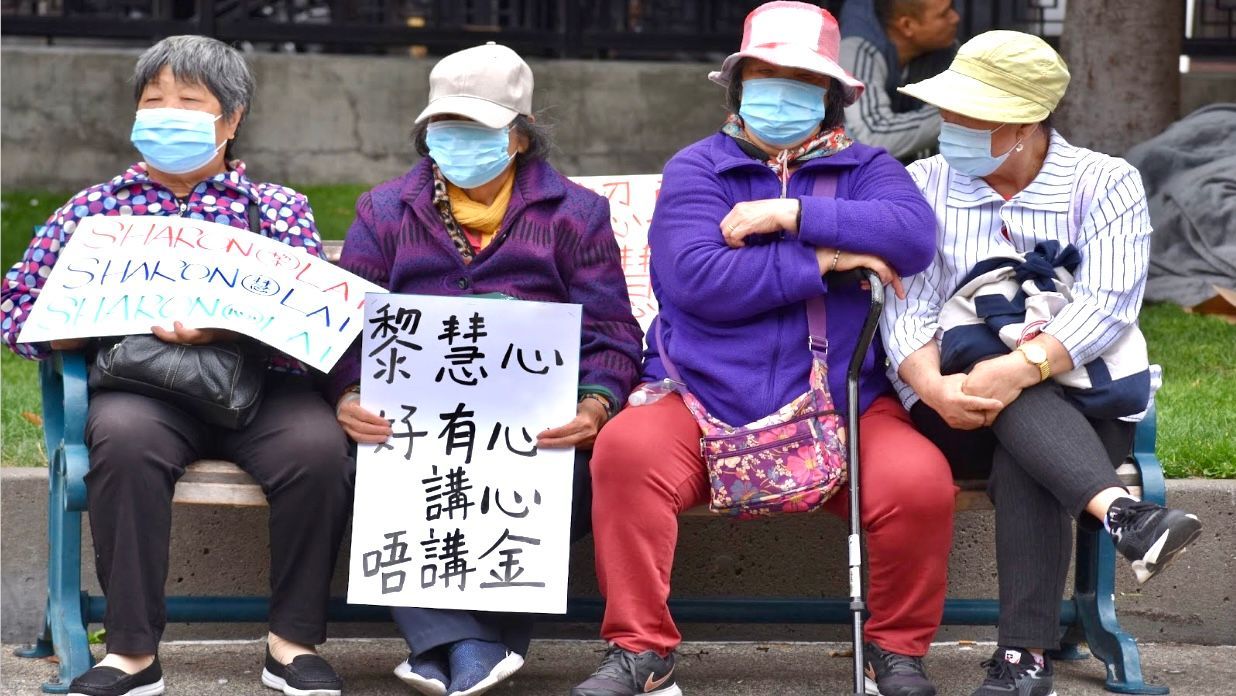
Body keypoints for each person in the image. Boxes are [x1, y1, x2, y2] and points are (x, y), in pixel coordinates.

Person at [572, 3, 954, 696]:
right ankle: (640, 649)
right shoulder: (697, 169)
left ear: (831, 96)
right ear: (738, 86)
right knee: (626, 453)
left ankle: (894, 652)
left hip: (842, 405)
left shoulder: (868, 166)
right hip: (699, 395)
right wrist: (831, 258)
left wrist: (793, 215)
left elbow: (912, 237)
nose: (779, 94)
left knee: (919, 482)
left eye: (800, 81)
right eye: (763, 77)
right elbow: (698, 280)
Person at [0, 36, 353, 696]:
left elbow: (313, 323)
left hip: (263, 385)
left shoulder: (277, 208)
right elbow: (16, 306)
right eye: (153, 101)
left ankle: (292, 642)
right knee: (125, 442)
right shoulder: (93, 210)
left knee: (317, 448)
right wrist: (85, 322)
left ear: (233, 117)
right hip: (144, 386)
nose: (168, 113)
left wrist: (229, 327)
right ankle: (131, 653)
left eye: (189, 101)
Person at [882, 30, 1204, 696]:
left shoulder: (1105, 183)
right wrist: (932, 388)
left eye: (967, 117)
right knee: (1002, 396)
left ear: (1023, 126)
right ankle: (1121, 518)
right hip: (953, 403)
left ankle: (1025, 662)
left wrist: (1020, 367)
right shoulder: (925, 183)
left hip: (1084, 401)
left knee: (1023, 442)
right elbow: (905, 308)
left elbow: (1108, 306)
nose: (948, 128)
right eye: (948, 112)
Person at [327, 42, 643, 696]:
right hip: (408, 426)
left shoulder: (574, 215)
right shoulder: (384, 211)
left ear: (521, 139)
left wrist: (594, 405)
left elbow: (613, 331)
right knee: (357, 473)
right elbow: (346, 323)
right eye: (446, 128)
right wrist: (350, 391)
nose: (460, 142)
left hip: (530, 428)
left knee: (576, 481)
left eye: (481, 129)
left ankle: (451, 645)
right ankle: (468, 644)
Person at [839, 0, 959, 160]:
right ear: (907, 25)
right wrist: (958, 116)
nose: (955, 18)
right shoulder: (858, 49)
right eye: (944, 14)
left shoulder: (944, 48)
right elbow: (874, 136)